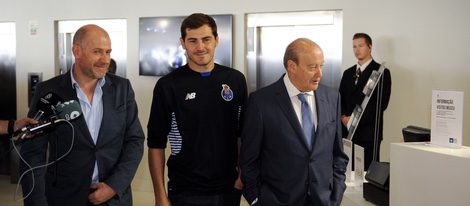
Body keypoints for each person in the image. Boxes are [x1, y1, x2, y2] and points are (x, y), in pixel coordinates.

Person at [20, 24, 144, 206]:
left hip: (113, 198)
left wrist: (113, 186)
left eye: (108, 52)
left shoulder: (122, 88)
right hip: (64, 197)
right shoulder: (49, 91)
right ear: (76, 51)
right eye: (97, 52)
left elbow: (135, 140)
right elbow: (33, 153)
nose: (105, 59)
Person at [147, 13, 247, 206]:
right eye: (192, 41)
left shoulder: (235, 80)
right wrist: (160, 196)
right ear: (183, 43)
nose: (200, 47)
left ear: (216, 40)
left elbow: (243, 134)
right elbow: (156, 144)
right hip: (185, 191)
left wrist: (242, 176)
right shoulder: (168, 86)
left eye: (206, 39)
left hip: (229, 188)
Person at [240, 38, 349, 206]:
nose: (319, 73)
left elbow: (338, 154)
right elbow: (249, 160)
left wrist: (336, 194)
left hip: (323, 200)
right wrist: (256, 200)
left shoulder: (332, 97)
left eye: (322, 66)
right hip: (277, 201)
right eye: (312, 67)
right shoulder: (261, 102)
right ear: (292, 66)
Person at [339, 33, 391, 170]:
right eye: (354, 46)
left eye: (360, 46)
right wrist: (344, 118)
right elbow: (340, 99)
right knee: (348, 173)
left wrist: (355, 120)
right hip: (347, 132)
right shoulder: (348, 73)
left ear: (370, 47)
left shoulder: (381, 72)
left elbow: (380, 105)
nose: (357, 50)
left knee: (366, 175)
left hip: (368, 133)